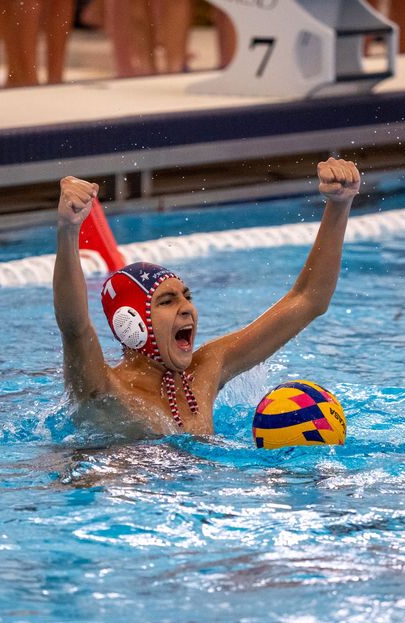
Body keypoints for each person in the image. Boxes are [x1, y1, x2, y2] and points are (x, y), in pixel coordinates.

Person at [53, 158, 360, 436]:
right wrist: (69, 230)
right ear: (131, 322)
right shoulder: (104, 390)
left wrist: (339, 205)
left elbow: (308, 300)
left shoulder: (203, 372)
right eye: (167, 301)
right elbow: (74, 327)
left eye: (187, 297)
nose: (187, 308)